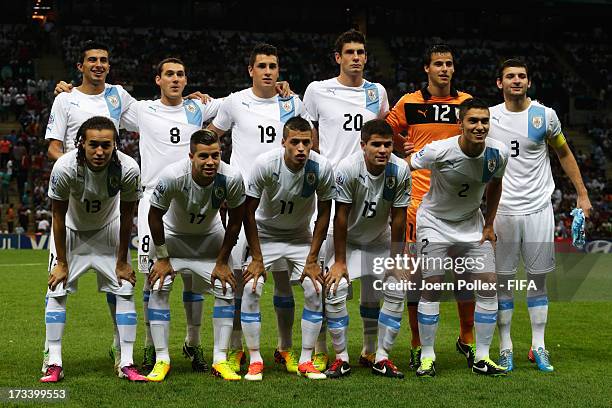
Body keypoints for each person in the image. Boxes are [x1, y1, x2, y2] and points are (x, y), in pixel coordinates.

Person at [208, 43, 312, 374]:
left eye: (273, 65)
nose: (268, 71)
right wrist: (222, 175)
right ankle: (238, 348)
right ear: (250, 70)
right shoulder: (234, 101)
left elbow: (310, 139)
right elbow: (209, 134)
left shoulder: (292, 102)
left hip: (286, 198)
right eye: (262, 65)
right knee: (240, 278)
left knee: (283, 282)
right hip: (243, 201)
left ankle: (284, 347)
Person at [488, 59, 592, 372]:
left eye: (521, 76)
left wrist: (583, 194)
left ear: (528, 82)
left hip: (538, 208)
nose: (516, 81)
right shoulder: (490, 117)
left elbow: (563, 153)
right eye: (510, 76)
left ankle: (538, 346)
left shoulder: (545, 116)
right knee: (503, 283)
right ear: (500, 83)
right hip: (503, 209)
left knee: (538, 280)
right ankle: (505, 348)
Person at [120, 57, 222, 373]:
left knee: (193, 278)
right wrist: (68, 89)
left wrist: (285, 92)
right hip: (153, 198)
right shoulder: (142, 110)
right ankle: (152, 347)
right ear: (158, 80)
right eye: (169, 74)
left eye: (180, 74)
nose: (175, 79)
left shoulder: (197, 109)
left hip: (192, 196)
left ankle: (193, 342)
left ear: (186, 80)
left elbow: (238, 103)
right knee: (155, 279)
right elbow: (101, 98)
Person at [303, 29, 390, 369]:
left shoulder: (376, 92)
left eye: (361, 52)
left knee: (372, 284)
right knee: (326, 283)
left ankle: (369, 349)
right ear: (337, 57)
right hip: (329, 193)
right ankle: (325, 349)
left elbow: (381, 133)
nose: (356, 57)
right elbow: (309, 133)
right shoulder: (317, 90)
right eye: (350, 52)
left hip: (367, 191)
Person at [386, 44, 474, 369]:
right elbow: (385, 132)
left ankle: (467, 337)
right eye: (438, 63)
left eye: (449, 63)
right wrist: (399, 146)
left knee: (466, 276)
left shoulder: (466, 104)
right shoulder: (409, 103)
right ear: (427, 68)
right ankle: (417, 343)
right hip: (417, 203)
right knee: (418, 279)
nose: (444, 69)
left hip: (459, 205)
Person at [409, 98, 509, 377]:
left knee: (489, 286)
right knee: (432, 287)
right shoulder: (438, 151)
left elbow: (496, 184)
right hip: (434, 224)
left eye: (484, 121)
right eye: (473, 121)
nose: (479, 127)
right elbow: (405, 167)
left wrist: (489, 224)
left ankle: (483, 357)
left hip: (472, 225)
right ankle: (427, 356)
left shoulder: (498, 153)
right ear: (460, 124)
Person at [41, 116, 145, 382]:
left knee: (125, 288)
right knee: (57, 288)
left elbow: (127, 215)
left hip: (108, 230)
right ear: (81, 144)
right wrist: (61, 262)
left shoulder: (129, 168)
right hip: (72, 230)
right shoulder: (64, 168)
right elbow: (57, 216)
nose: (100, 152)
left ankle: (127, 361)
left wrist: (122, 260)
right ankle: (53, 361)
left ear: (115, 146)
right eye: (93, 145)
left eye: (106, 146)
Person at [146, 129, 245, 381]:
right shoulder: (172, 175)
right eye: (203, 156)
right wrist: (163, 257)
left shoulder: (231, 177)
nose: (211, 162)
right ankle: (162, 359)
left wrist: (223, 261)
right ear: (191, 156)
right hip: (173, 236)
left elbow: (236, 221)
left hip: (209, 237)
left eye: (215, 156)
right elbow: (154, 215)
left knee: (226, 288)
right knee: (159, 286)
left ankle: (220, 360)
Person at [241, 116, 334, 380]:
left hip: (299, 236)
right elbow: (248, 212)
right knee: (250, 287)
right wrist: (256, 257)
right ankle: (256, 358)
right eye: (295, 142)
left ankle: (306, 359)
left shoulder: (321, 167)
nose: (301, 148)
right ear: (283, 142)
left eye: (307, 142)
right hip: (266, 234)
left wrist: (313, 258)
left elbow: (325, 213)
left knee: (315, 289)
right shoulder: (265, 164)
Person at [323, 119, 410, 378]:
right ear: (363, 145)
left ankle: (379, 356)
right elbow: (341, 217)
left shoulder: (401, 169)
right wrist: (339, 262)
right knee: (334, 289)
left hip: (379, 238)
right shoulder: (347, 168)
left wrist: (396, 260)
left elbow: (399, 217)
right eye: (376, 145)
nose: (383, 150)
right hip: (345, 239)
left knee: (396, 287)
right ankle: (340, 358)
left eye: (387, 145)